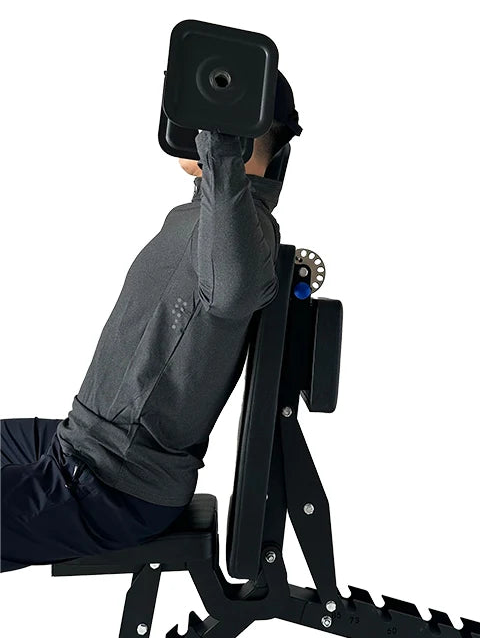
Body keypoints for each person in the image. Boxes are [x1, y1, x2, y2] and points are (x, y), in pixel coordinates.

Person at [0, 73, 302, 573]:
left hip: (112, 487)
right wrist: (219, 166)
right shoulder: (208, 214)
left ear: (236, 131)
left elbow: (231, 288)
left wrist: (221, 152)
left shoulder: (247, 233)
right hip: (83, 445)